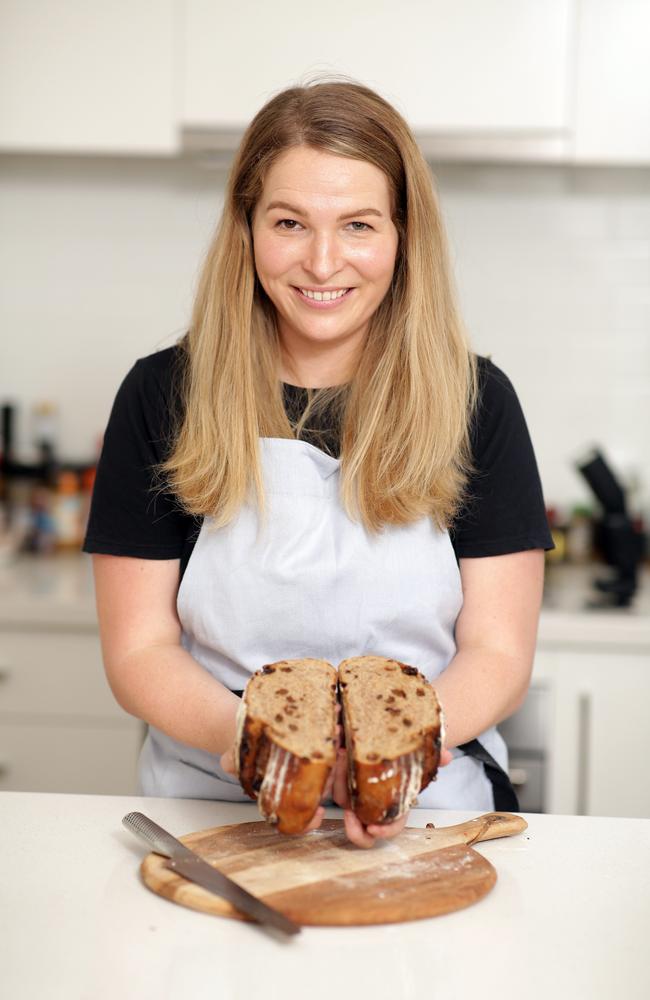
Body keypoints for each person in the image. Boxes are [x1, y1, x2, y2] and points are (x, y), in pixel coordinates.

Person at [84, 79, 552, 848]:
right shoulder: (161, 394)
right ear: (247, 229)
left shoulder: (478, 402)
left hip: (427, 804)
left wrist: (395, 759)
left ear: (404, 236)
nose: (323, 261)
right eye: (290, 222)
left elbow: (497, 653)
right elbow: (138, 650)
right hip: (211, 808)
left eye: (359, 224)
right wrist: (259, 748)